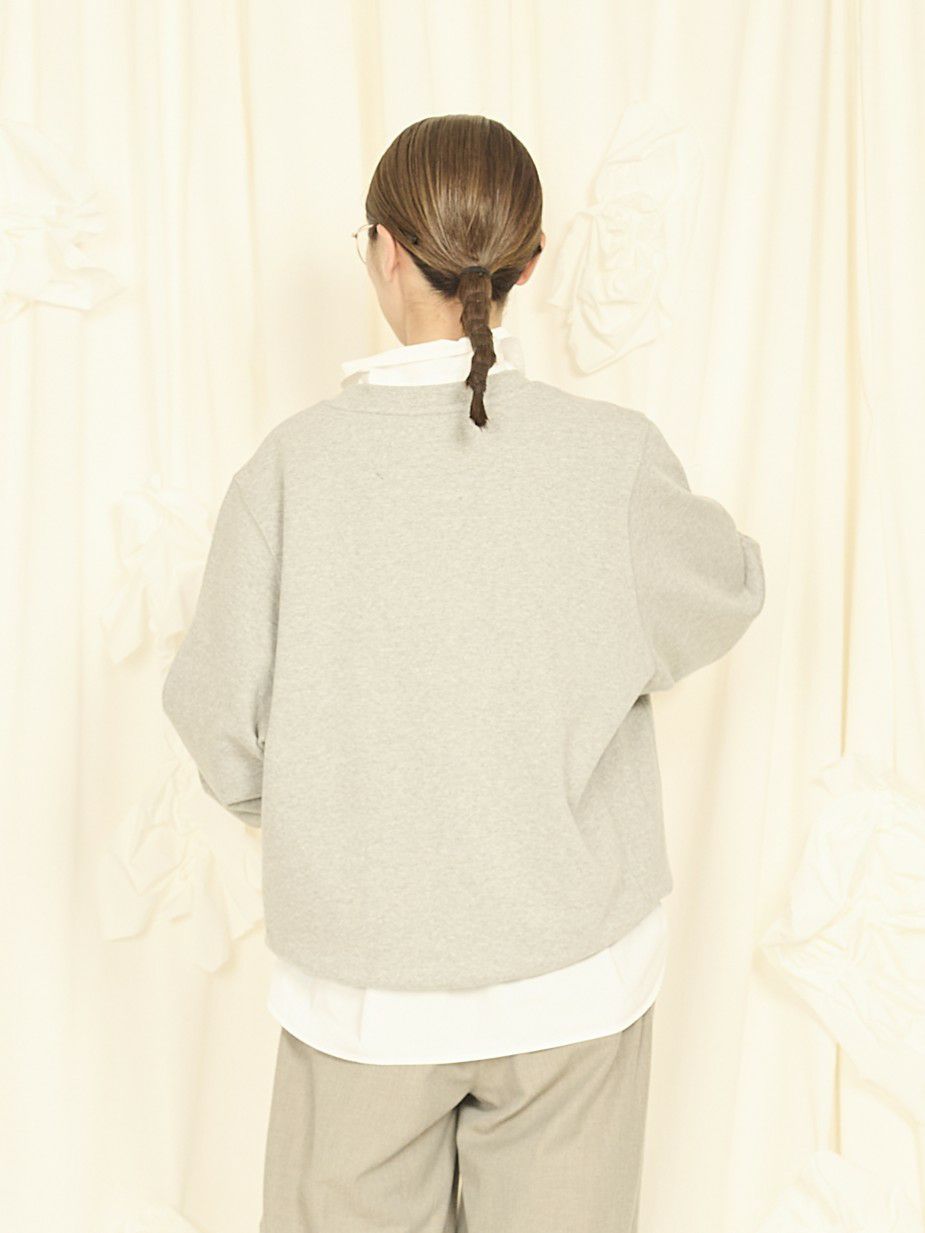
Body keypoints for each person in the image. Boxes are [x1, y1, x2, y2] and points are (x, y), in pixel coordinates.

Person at [162, 114, 766, 1233]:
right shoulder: (611, 457)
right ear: (530, 264)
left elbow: (217, 724)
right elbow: (727, 588)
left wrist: (315, 809)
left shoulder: (292, 470)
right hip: (569, 983)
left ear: (384, 252)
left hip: (362, 992)